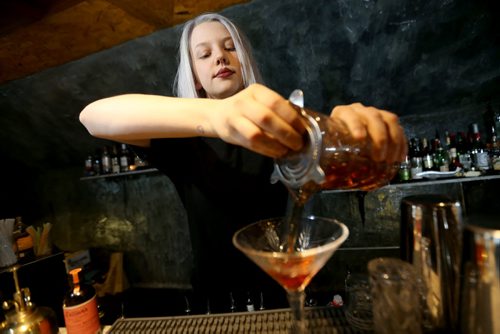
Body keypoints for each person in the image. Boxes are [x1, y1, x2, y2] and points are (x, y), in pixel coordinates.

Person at [80, 13, 407, 311]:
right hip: (216, 300)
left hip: (280, 294)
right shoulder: (183, 141)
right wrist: (217, 114)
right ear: (195, 79)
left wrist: (353, 131)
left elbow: (336, 143)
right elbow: (94, 117)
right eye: (204, 54)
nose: (220, 56)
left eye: (229, 47)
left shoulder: (279, 127)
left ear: (244, 59)